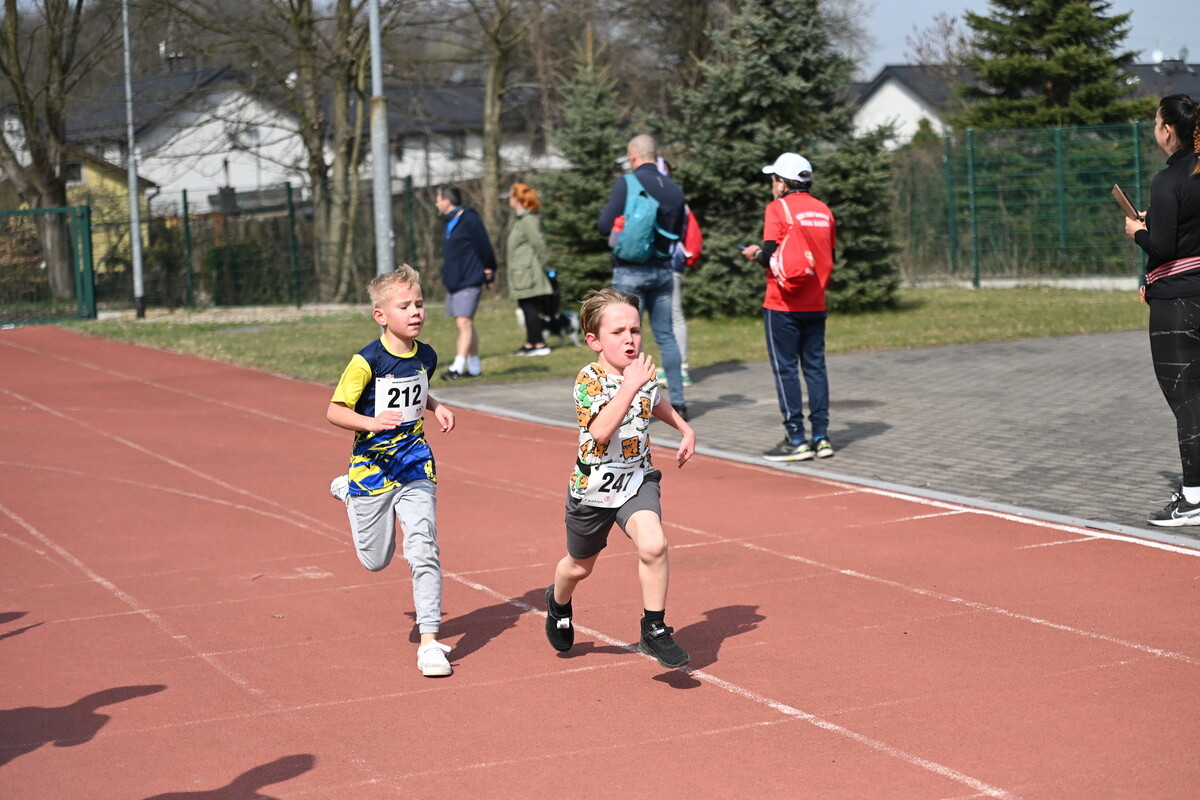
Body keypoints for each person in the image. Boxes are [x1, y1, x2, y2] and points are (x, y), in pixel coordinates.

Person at [544, 287, 696, 669]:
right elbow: (600, 432)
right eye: (618, 332)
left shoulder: (641, 374)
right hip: (593, 489)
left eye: (635, 330)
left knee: (654, 545)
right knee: (580, 566)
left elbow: (655, 399)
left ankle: (654, 629)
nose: (629, 338)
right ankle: (558, 602)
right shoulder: (589, 380)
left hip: (636, 480)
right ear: (594, 340)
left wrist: (684, 428)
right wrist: (629, 385)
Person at [326, 265, 458, 677]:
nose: (416, 312)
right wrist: (371, 423)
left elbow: (417, 386)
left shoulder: (428, 355)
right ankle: (348, 492)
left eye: (419, 303)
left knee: (423, 548)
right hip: (371, 469)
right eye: (405, 306)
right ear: (381, 315)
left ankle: (430, 642)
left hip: (415, 462)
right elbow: (334, 411)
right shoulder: (366, 361)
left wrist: (436, 407)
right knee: (375, 559)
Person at [1124, 94, 1200, 526]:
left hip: (1177, 308)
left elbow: (1164, 247)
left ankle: (1192, 499)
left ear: (1167, 130)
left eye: (1156, 122)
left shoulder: (1167, 179)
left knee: (1187, 401)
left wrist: (1138, 231)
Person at [741, 152, 837, 462]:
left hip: (782, 303)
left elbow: (770, 255)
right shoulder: (824, 211)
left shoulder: (777, 208)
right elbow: (827, 254)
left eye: (773, 180)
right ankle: (821, 437)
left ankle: (797, 438)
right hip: (816, 301)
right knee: (815, 368)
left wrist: (755, 253)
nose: (772, 186)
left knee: (786, 370)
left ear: (783, 184)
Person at [598, 134, 690, 420]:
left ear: (632, 155)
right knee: (666, 335)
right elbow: (681, 231)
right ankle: (678, 400)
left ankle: (630, 402)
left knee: (626, 338)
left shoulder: (627, 183)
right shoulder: (675, 189)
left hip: (629, 271)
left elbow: (603, 225)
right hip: (663, 271)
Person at [436, 185, 496, 380]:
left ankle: (457, 367)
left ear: (446, 200)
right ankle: (475, 367)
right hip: (454, 280)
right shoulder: (449, 222)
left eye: (438, 199)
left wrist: (489, 268)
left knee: (464, 322)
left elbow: (484, 245)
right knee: (465, 323)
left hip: (470, 278)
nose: (436, 203)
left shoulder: (469, 218)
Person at [505, 182, 555, 356]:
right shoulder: (518, 219)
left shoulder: (527, 220)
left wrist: (544, 266)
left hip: (529, 272)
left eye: (511, 196)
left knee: (530, 308)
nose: (509, 199)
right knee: (525, 307)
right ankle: (530, 343)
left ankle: (539, 344)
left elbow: (539, 243)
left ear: (518, 198)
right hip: (520, 272)